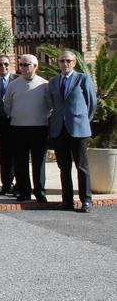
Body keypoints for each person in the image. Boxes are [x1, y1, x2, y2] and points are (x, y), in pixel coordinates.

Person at [48, 50, 97, 213]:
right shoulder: (54, 81)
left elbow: (91, 104)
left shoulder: (83, 79)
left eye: (68, 60)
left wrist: (82, 120)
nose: (65, 64)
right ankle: (67, 200)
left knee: (82, 166)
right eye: (62, 61)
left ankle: (86, 200)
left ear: (74, 63)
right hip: (59, 129)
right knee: (64, 167)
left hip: (78, 129)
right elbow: (53, 103)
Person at [3, 54, 51, 203]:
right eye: (21, 65)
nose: (23, 68)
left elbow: (50, 106)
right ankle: (24, 191)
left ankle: (39, 191)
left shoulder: (45, 84)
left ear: (35, 66)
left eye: (26, 65)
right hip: (18, 128)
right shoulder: (13, 85)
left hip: (39, 128)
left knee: (38, 162)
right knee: (20, 162)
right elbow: (7, 105)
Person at [0, 55, 18, 195]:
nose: (3, 67)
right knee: (4, 155)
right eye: (0, 64)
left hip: (17, 122)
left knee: (18, 155)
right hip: (1, 123)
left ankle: (19, 185)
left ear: (10, 65)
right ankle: (6, 185)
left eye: (6, 64)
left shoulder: (18, 80)